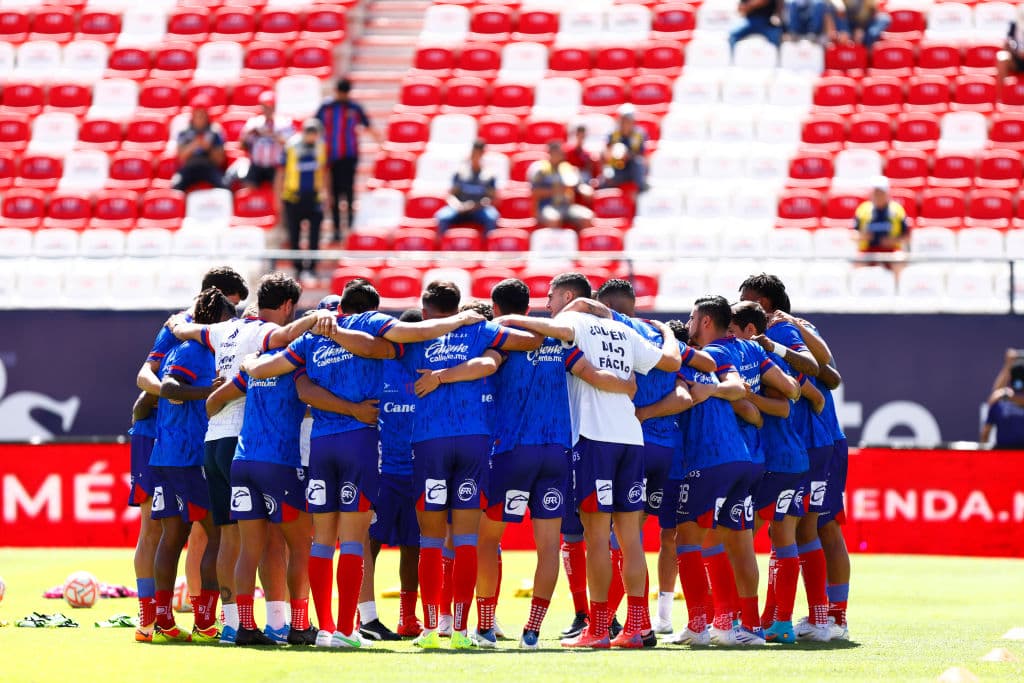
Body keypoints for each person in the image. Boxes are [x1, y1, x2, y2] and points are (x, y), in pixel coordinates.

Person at [417, 279, 640, 649]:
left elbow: (486, 365)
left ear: (496, 306)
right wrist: (626, 385)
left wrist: (441, 376)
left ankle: (485, 627)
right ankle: (533, 632)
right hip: (557, 452)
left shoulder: (502, 336)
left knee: (487, 539)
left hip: (512, 452)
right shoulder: (558, 339)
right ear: (532, 303)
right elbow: (591, 373)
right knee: (549, 546)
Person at [492, 273, 682, 649]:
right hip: (631, 438)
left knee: (597, 539)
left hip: (593, 441)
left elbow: (544, 329)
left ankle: (597, 629)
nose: (548, 305)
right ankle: (639, 627)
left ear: (568, 298)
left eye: (552, 299)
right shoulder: (627, 333)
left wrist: (506, 319)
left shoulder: (573, 322)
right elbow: (672, 362)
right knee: (631, 539)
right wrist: (668, 332)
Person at [169, 272, 330, 645]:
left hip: (217, 442)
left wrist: (177, 321)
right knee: (277, 541)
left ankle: (232, 625)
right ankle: (281, 621)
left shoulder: (224, 330)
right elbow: (290, 340)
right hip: (258, 446)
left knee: (228, 540)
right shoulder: (270, 343)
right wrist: (319, 320)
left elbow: (191, 335)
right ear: (288, 306)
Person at [130, 267, 249, 643]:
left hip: (168, 450)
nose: (235, 318)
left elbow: (153, 394)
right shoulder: (190, 343)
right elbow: (159, 388)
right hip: (184, 451)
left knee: (174, 534)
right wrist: (209, 393)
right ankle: (198, 621)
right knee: (211, 534)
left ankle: (157, 621)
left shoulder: (193, 338)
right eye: (231, 310)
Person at [594, 280, 717, 636]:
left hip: (634, 447)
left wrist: (641, 415)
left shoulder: (613, 338)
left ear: (605, 308)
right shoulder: (661, 338)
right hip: (670, 452)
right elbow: (694, 381)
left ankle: (616, 623)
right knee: (657, 537)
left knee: (624, 537)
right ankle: (656, 618)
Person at [738, 274, 836, 642]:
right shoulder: (773, 336)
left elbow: (815, 369)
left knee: (775, 531)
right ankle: (789, 619)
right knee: (791, 531)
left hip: (781, 451)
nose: (739, 304)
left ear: (762, 305)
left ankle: (747, 619)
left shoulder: (775, 334)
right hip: (793, 450)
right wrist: (810, 393)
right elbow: (819, 380)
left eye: (745, 299)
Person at [680, 296, 768, 646]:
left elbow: (736, 393)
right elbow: (747, 402)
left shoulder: (703, 356)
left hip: (709, 460)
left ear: (704, 321)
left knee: (686, 539)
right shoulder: (726, 358)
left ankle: (700, 626)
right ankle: (749, 626)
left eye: (691, 317)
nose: (688, 324)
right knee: (739, 544)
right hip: (742, 459)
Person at [368, 308, 426, 638]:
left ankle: (407, 618)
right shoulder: (381, 365)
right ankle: (365, 614)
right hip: (384, 470)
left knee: (413, 546)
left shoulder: (432, 367)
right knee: (370, 543)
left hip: (416, 471)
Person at [317, 78, 380, 241]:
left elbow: (368, 125)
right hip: (331, 157)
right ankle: (337, 230)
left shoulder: (354, 108)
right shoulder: (326, 108)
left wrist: (381, 143)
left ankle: (351, 226)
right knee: (334, 195)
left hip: (349, 156)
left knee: (349, 192)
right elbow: (314, 127)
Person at [281, 119, 328, 279]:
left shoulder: (320, 147)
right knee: (295, 235)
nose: (313, 137)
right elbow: (281, 171)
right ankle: (298, 268)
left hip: (314, 197)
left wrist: (326, 193)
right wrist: (278, 196)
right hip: (294, 198)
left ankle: (312, 267)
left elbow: (324, 170)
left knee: (315, 234)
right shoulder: (291, 146)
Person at [434, 139, 500, 235]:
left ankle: (487, 248)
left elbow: (491, 199)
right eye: (474, 153)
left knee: (492, 217)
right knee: (442, 217)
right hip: (459, 208)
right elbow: (451, 195)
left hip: (479, 209)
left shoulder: (489, 175)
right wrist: (457, 205)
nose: (475, 157)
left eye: (478, 154)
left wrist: (475, 206)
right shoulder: (460, 173)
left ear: (482, 154)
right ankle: (442, 248)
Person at [531, 141, 594, 231]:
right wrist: (556, 190)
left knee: (587, 217)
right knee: (554, 219)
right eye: (558, 152)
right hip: (547, 206)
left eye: (561, 153)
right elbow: (535, 192)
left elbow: (579, 186)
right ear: (550, 153)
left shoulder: (567, 168)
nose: (561, 155)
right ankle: (554, 245)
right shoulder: (541, 170)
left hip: (566, 206)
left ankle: (581, 244)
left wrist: (584, 190)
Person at [172, 95, 226, 193]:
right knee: (175, 186)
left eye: (202, 114)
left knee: (224, 187)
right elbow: (180, 157)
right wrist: (193, 145)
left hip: (209, 167)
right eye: (197, 114)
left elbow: (219, 160)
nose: (200, 117)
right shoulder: (184, 132)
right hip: (189, 167)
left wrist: (208, 148)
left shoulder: (215, 132)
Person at [241, 91, 293, 189]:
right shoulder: (254, 123)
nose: (268, 109)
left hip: (276, 166)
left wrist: (273, 135)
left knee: (282, 184)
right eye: (265, 106)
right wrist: (250, 134)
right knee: (248, 186)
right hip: (257, 165)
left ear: (275, 107)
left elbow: (290, 145)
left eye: (270, 106)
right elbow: (242, 145)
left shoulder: (284, 123)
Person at [854, 176, 910, 257]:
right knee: (858, 262)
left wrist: (893, 241)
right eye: (876, 192)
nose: (878, 196)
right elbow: (853, 235)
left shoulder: (897, 210)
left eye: (881, 193)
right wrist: (863, 236)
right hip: (867, 251)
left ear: (887, 193)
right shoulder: (863, 210)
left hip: (891, 250)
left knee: (899, 259)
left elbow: (907, 236)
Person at [981, 350, 1024, 449]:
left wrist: (1009, 397)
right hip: (1003, 458)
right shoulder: (999, 403)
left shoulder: (1003, 398)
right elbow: (985, 435)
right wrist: (1008, 365)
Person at [602, 104, 648, 194]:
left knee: (638, 163)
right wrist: (614, 153)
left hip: (632, 168)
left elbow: (643, 156)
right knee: (607, 174)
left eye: (628, 120)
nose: (625, 123)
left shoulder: (639, 134)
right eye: (623, 120)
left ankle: (641, 191)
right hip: (616, 167)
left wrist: (628, 155)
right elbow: (605, 154)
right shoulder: (613, 134)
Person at [997, 21, 1024, 96]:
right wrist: (1014, 51)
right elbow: (1007, 42)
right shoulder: (1014, 25)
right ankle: (1001, 96)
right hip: (1016, 58)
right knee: (1002, 57)